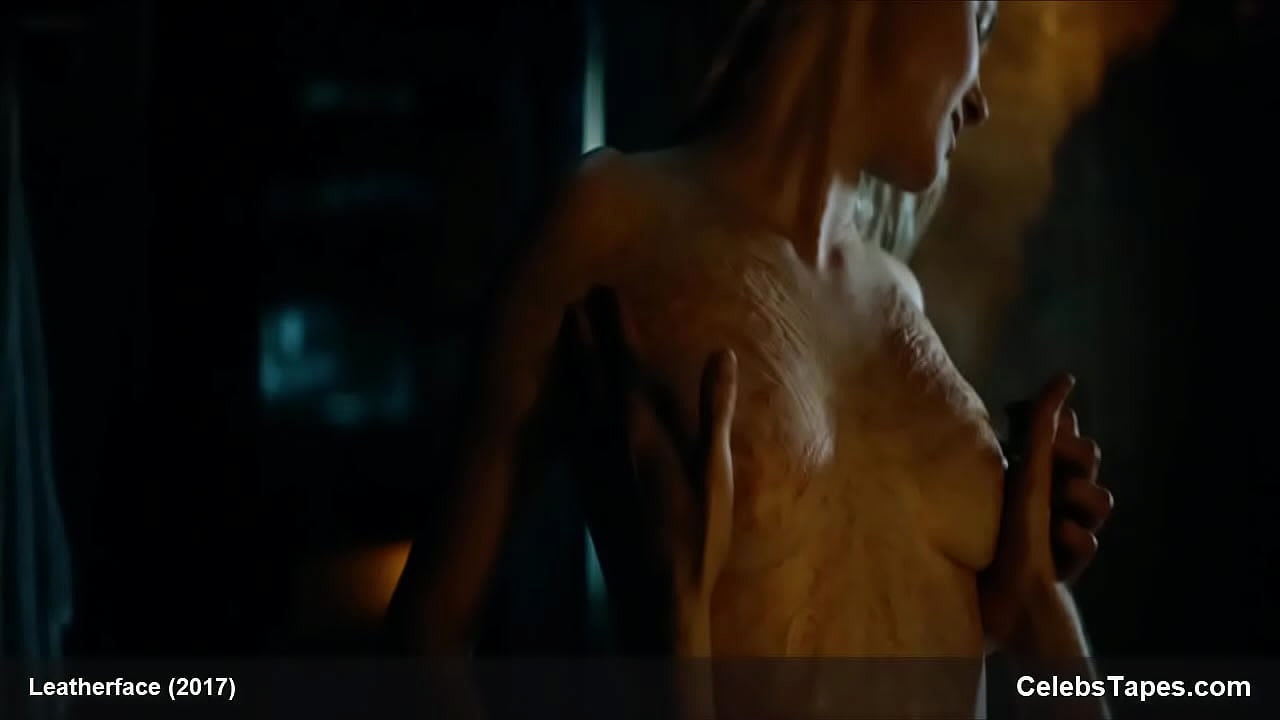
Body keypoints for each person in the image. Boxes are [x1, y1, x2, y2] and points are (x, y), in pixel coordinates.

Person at [388, 0, 1114, 715]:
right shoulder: (609, 226)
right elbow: (422, 650)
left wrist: (1015, 601)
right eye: (980, 21)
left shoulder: (899, 295)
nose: (981, 100)